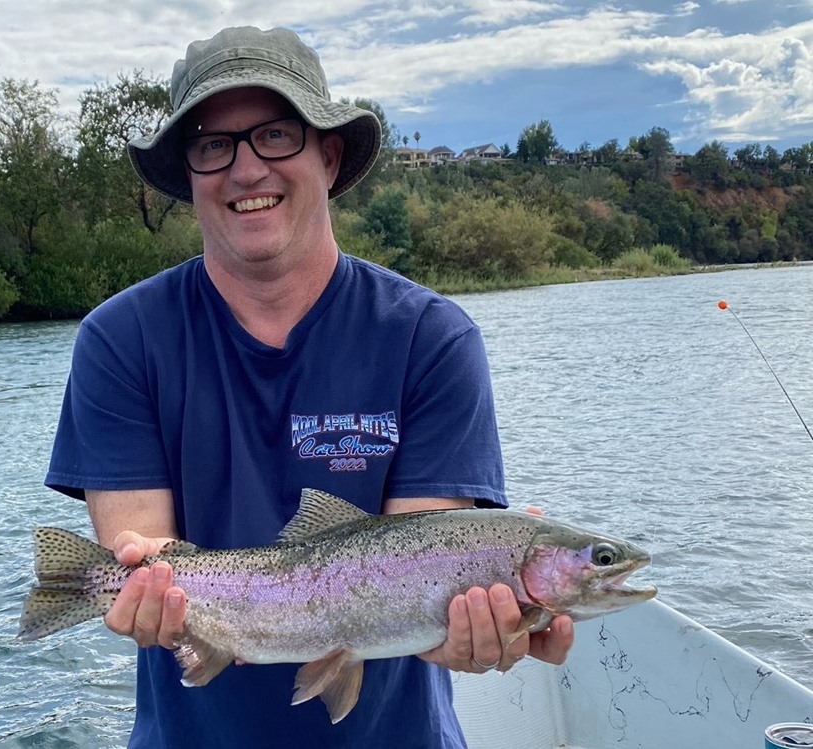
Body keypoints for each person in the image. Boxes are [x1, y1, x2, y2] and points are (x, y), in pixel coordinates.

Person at [45, 25, 573, 749]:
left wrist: (466, 632)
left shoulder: (432, 338)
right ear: (189, 174)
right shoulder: (118, 338)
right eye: (213, 144)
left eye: (276, 135)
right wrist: (147, 589)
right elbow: (142, 539)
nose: (245, 169)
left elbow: (417, 572)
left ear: (328, 155)